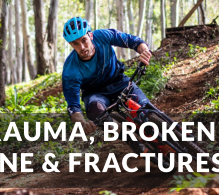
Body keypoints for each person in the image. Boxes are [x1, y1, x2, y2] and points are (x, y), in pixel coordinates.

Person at [62, 17, 158, 158]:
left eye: (84, 40)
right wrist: (82, 123)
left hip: (119, 81)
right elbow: (73, 106)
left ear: (90, 35)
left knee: (144, 109)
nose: (82, 47)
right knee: (95, 111)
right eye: (75, 44)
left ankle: (174, 129)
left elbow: (133, 41)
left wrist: (144, 51)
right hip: (95, 94)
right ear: (71, 45)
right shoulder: (70, 71)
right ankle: (132, 141)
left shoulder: (103, 36)